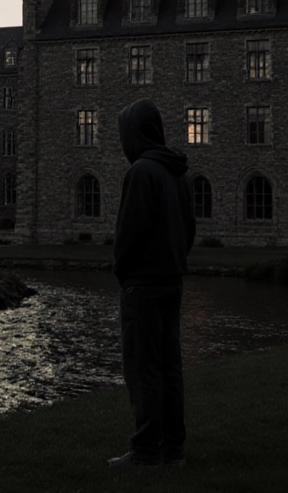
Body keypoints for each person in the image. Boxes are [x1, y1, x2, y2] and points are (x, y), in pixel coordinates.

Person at [107, 98, 195, 468]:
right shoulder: (177, 172)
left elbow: (128, 234)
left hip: (143, 285)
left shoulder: (142, 171)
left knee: (144, 370)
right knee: (170, 369)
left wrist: (123, 272)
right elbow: (189, 230)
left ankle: (145, 451)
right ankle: (172, 449)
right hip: (171, 281)